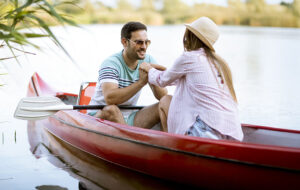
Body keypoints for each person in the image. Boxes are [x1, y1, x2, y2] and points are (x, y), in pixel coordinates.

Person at [140, 17, 244, 141]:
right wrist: (164, 70)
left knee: (165, 101)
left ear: (190, 36)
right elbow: (183, 78)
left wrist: (148, 68)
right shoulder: (219, 63)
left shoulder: (190, 58)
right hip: (233, 133)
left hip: (207, 131)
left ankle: (171, 147)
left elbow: (161, 80)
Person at [89, 21, 167, 129]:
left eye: (147, 42)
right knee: (112, 110)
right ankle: (133, 141)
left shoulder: (148, 60)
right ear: (125, 42)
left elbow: (162, 96)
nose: (144, 47)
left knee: (166, 102)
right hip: (99, 116)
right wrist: (141, 83)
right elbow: (110, 99)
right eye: (139, 42)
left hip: (130, 117)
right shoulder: (111, 63)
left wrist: (154, 75)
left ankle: (169, 143)